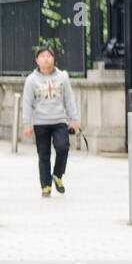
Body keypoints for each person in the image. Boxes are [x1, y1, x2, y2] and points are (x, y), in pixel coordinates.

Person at [22, 45, 79, 197]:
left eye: (49, 56)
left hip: (59, 120)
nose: (46, 59)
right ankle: (45, 185)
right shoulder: (31, 80)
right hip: (40, 122)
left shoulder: (62, 77)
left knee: (63, 148)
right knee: (43, 154)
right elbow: (27, 103)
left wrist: (74, 120)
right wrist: (27, 124)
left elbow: (69, 100)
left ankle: (58, 174)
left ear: (53, 58)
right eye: (43, 56)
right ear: (37, 60)